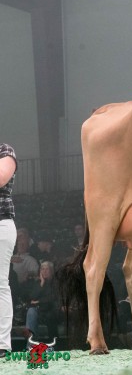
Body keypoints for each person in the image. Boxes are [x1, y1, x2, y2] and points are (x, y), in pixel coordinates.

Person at [0, 143, 17, 358]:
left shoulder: (5, 150)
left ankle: (2, 344)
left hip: (1, 223)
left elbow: (1, 177)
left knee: (0, 284)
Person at [23, 261, 60, 343]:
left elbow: (53, 298)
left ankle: (53, 343)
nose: (44, 271)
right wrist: (41, 284)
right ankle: (32, 343)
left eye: (47, 269)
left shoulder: (55, 282)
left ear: (51, 271)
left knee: (50, 315)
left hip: (51, 310)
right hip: (39, 310)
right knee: (31, 311)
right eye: (42, 269)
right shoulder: (37, 283)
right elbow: (32, 298)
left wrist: (38, 301)